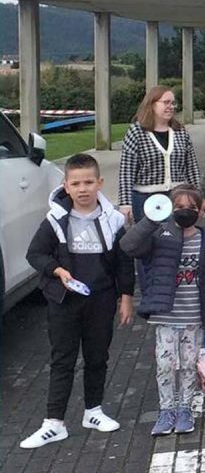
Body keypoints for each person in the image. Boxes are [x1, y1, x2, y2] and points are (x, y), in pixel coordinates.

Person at [21, 155, 134, 449]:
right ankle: (53, 422)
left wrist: (126, 297)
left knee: (98, 356)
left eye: (88, 182)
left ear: (99, 183)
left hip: (101, 299)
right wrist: (56, 271)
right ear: (66, 186)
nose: (82, 189)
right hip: (64, 301)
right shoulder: (55, 219)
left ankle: (93, 411)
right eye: (75, 183)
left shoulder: (113, 220)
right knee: (63, 360)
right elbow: (35, 254)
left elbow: (123, 262)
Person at [121, 185, 205, 435]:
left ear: (200, 211)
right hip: (165, 315)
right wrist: (151, 219)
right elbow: (128, 245)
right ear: (169, 209)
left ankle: (185, 408)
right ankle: (166, 410)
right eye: (178, 207)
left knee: (189, 364)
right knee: (166, 364)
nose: (184, 212)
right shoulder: (159, 235)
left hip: (193, 315)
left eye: (191, 207)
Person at [118, 86, 201, 223]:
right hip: (145, 199)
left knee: (174, 239)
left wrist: (198, 199)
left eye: (173, 103)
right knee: (148, 241)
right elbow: (127, 171)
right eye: (166, 102)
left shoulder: (180, 132)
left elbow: (192, 168)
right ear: (152, 104)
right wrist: (125, 204)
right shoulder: (137, 132)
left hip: (176, 198)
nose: (171, 106)